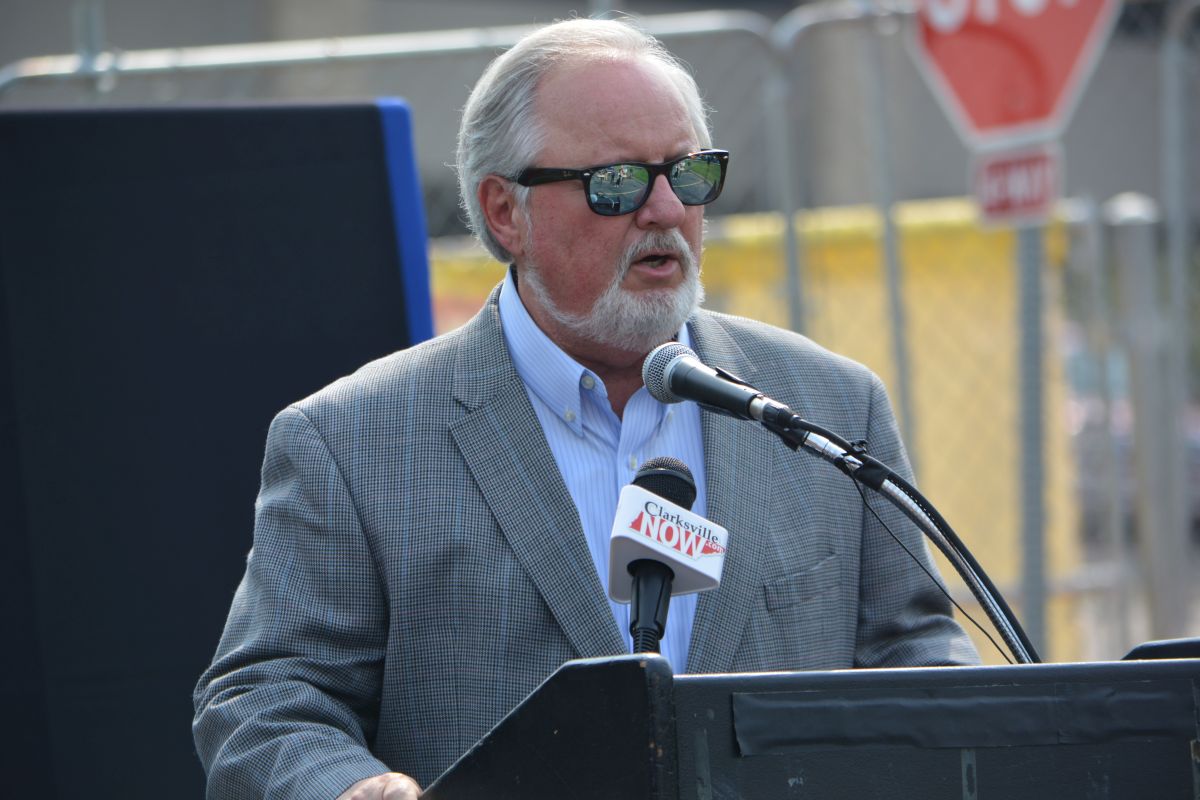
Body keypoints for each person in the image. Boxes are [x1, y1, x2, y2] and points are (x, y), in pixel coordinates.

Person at [193, 17, 978, 800]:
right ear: (505, 212)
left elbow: (915, 652)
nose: (665, 210)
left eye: (688, 173)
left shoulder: (828, 407)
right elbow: (265, 701)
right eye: (618, 182)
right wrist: (352, 789)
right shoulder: (353, 442)